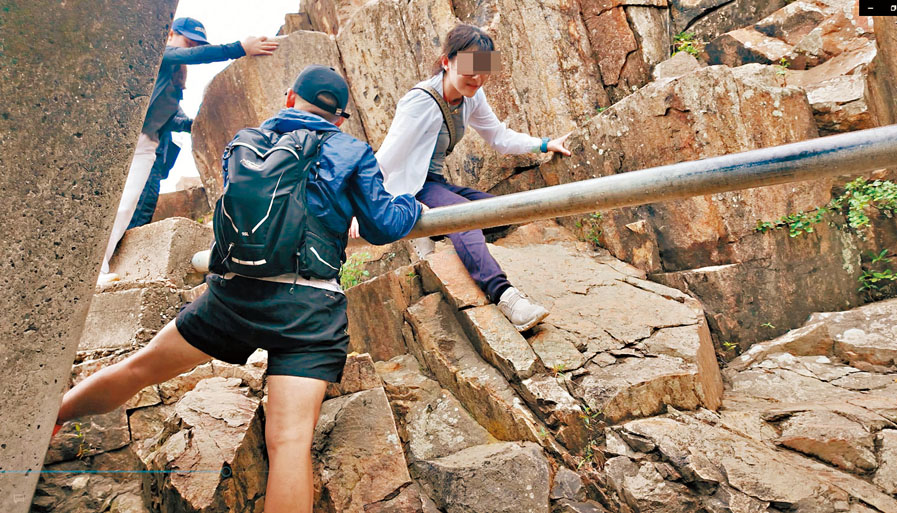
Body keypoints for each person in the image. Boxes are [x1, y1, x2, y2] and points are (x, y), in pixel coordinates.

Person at [56, 65, 423, 513]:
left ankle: (47, 418)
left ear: (290, 98)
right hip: (309, 307)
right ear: (339, 118)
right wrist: (411, 204)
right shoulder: (351, 150)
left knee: (138, 370)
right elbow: (382, 226)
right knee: (289, 442)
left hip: (234, 297)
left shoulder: (248, 141)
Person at [369, 23, 572, 332]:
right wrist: (363, 206)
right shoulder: (420, 101)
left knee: (503, 212)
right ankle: (506, 297)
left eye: (483, 70)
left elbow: (498, 137)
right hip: (409, 190)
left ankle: (439, 232)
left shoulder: (472, 97)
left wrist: (544, 144)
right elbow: (385, 160)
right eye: (469, 69)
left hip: (434, 183)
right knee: (465, 218)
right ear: (446, 62)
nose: (477, 79)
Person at [98, 17, 279, 285]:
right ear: (170, 34)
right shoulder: (161, 55)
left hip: (148, 146)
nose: (191, 47)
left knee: (126, 207)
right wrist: (239, 48)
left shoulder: (173, 80)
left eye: (195, 43)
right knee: (112, 204)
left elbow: (171, 118)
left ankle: (99, 269)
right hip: (128, 138)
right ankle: (95, 270)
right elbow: (194, 56)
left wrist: (200, 125)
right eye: (188, 41)